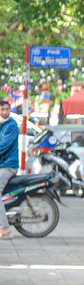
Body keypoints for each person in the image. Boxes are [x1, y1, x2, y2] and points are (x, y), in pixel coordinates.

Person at [0, 101, 19, 239]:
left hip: (8, 166)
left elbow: (2, 146)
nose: (4, 112)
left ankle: (5, 229)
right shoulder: (1, 125)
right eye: (2, 110)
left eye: (7, 109)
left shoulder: (11, 125)